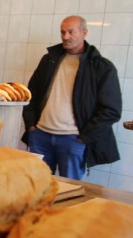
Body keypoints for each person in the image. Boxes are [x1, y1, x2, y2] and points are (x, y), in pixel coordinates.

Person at [22, 15, 122, 180]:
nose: (65, 37)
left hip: (73, 140)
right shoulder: (49, 60)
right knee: (37, 186)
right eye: (62, 32)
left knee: (70, 191)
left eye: (71, 32)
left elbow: (111, 110)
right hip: (41, 136)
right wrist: (31, 126)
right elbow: (31, 93)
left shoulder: (101, 67)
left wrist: (84, 137)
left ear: (84, 32)